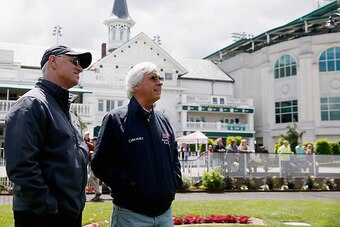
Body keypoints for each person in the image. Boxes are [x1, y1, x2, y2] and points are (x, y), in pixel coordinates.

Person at [4, 45, 92, 226]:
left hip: (68, 213)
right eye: (75, 61)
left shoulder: (69, 114)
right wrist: (50, 206)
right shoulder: (32, 104)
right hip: (42, 216)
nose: (80, 68)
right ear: (53, 61)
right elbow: (22, 166)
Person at [91, 62, 182, 227]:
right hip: (130, 216)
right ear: (136, 85)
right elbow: (100, 164)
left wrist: (173, 183)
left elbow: (174, 158)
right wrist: (130, 186)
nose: (160, 82)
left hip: (165, 215)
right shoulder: (115, 119)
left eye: (160, 78)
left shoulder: (163, 120)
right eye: (153, 78)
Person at [85, 135, 103, 202]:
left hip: (97, 165)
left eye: (94, 141)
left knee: (90, 178)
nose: (93, 142)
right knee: (95, 179)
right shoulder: (93, 147)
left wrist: (93, 153)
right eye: (92, 141)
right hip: (92, 164)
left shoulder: (99, 146)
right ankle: (97, 194)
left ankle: (98, 192)